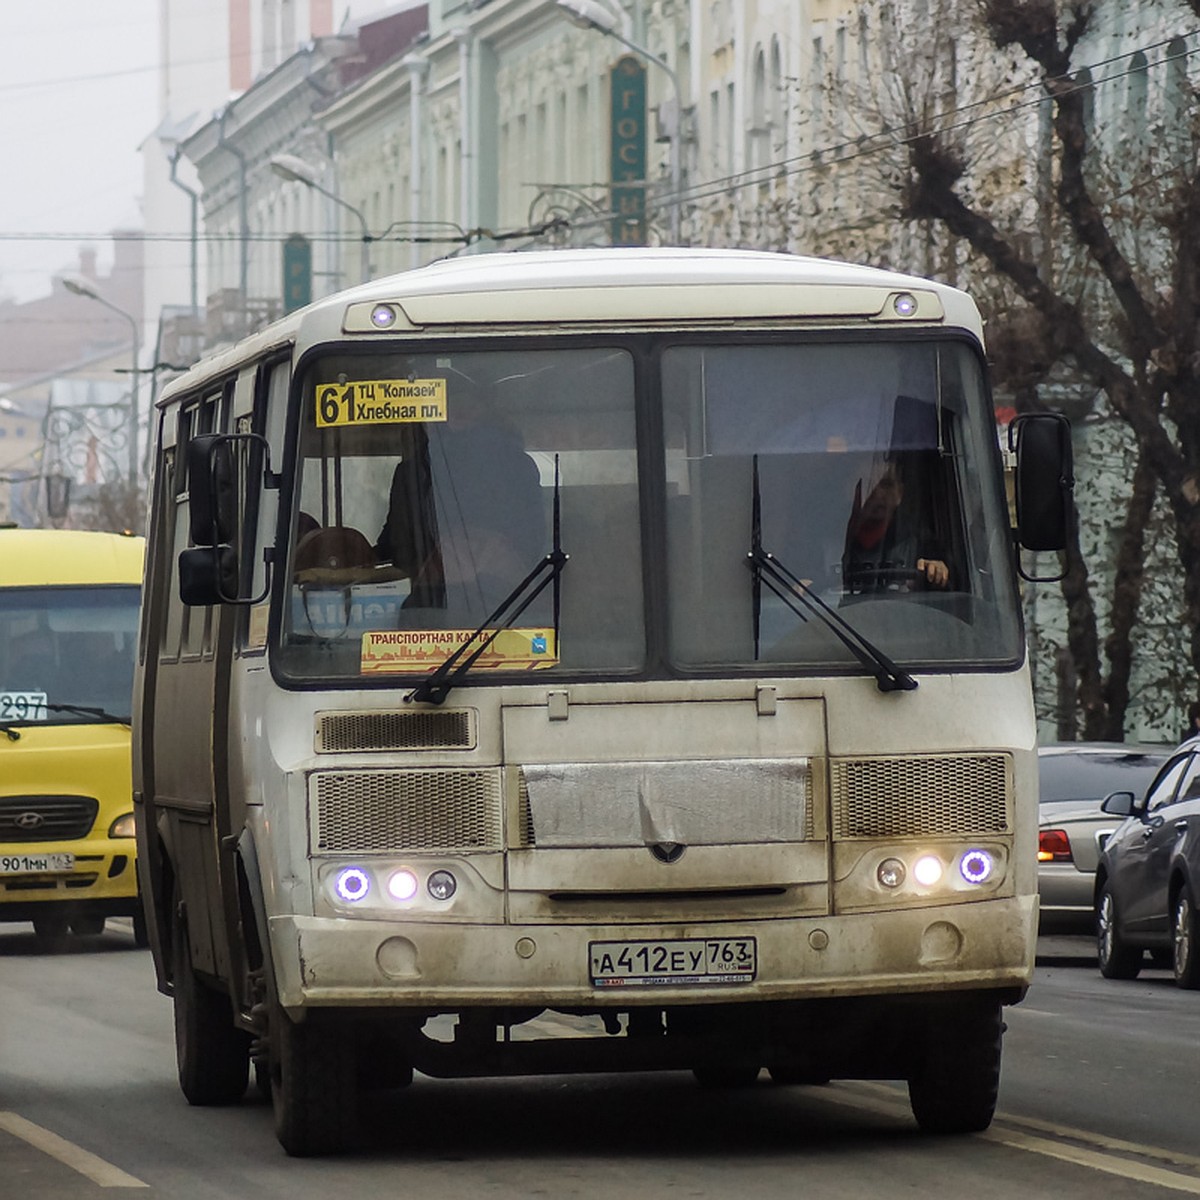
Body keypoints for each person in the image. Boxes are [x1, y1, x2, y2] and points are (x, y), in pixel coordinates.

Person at [375, 376, 546, 620]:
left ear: (486, 411)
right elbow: (398, 542)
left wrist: (484, 555)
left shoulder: (516, 464)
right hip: (440, 597)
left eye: (469, 406)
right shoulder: (411, 472)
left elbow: (531, 538)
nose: (459, 414)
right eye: (450, 407)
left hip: (498, 594)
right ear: (433, 417)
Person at [842, 457, 949, 595]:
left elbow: (954, 594)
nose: (878, 493)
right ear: (850, 489)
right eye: (869, 483)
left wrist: (938, 573)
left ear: (899, 493)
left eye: (886, 484)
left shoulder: (920, 544)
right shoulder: (824, 545)